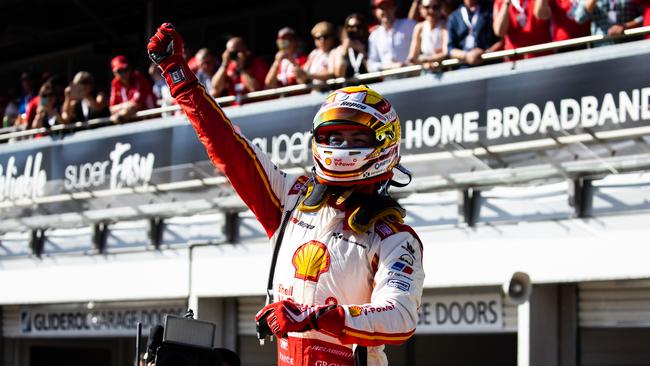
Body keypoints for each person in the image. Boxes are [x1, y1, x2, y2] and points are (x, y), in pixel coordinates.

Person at [148, 23, 424, 366]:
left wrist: (314, 316)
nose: (340, 149)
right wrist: (179, 77)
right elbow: (231, 150)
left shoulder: (395, 238)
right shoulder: (291, 199)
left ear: (384, 144)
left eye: (355, 140)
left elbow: (400, 317)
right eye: (333, 138)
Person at [447, 0, 502, 66]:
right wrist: (467, 56)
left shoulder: (490, 9)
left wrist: (486, 53)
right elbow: (451, 49)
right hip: (465, 67)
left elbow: (502, 39)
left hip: (490, 63)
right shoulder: (454, 17)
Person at [368, 0, 418, 72]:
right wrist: (389, 67)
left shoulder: (409, 25)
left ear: (395, 8)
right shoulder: (374, 36)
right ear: (375, 11)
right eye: (382, 8)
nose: (385, 11)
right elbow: (371, 65)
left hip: (412, 77)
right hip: (388, 81)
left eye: (388, 7)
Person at [109, 55, 156, 123]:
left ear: (130, 69)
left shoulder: (138, 77)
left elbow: (136, 105)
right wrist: (125, 105)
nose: (124, 74)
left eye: (126, 69)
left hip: (151, 120)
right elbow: (112, 109)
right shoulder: (115, 83)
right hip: (131, 122)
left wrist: (120, 115)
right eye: (119, 71)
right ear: (114, 73)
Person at [573, 0, 642, 42]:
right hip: (603, 45)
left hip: (630, 43)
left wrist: (626, 26)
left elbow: (645, 16)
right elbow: (580, 18)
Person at [408, 0, 449, 68]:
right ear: (420, 8)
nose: (431, 11)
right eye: (427, 7)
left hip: (444, 70)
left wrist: (425, 60)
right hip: (425, 72)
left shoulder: (445, 25)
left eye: (435, 7)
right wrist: (425, 64)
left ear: (440, 8)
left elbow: (446, 52)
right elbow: (412, 57)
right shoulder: (419, 28)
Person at [331, 13, 370, 78]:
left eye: (358, 27)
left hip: (368, 86)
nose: (355, 30)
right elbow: (339, 75)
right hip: (349, 87)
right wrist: (344, 54)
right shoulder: (340, 49)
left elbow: (372, 70)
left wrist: (363, 53)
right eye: (351, 27)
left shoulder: (370, 45)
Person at [302, 21, 337, 85]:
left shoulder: (335, 52)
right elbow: (303, 76)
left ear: (332, 37)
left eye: (325, 36)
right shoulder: (313, 54)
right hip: (314, 92)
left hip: (329, 91)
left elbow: (332, 74)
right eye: (318, 38)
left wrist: (309, 75)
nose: (322, 40)